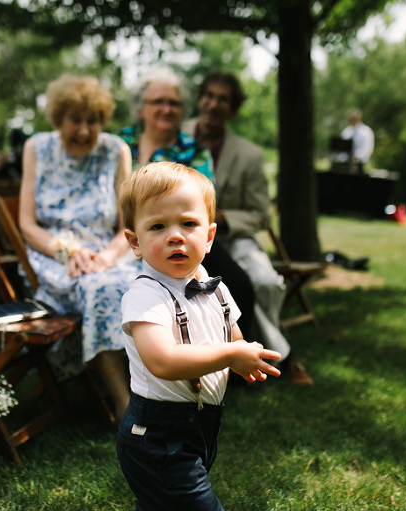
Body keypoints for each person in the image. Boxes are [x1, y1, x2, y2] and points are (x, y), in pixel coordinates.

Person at [116, 162, 282, 510]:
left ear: (208, 237)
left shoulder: (214, 287)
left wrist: (244, 356)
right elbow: (162, 361)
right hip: (158, 435)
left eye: (188, 224)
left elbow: (231, 334)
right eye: (158, 226)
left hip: (201, 424)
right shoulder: (146, 296)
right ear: (135, 241)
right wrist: (228, 357)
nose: (175, 235)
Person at [19, 74, 139, 422]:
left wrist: (105, 257)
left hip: (109, 253)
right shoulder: (36, 148)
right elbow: (27, 224)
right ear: (58, 118)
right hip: (53, 255)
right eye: (76, 120)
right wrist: (68, 253)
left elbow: (126, 227)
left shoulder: (116, 149)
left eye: (93, 121)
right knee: (101, 287)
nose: (85, 130)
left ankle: (161, 387)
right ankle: (123, 401)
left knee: (154, 282)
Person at [182, 71, 313, 386]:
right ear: (200, 99)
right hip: (183, 236)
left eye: (222, 99)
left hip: (233, 237)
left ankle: (264, 353)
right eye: (209, 96)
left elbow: (260, 215)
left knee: (265, 282)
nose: (213, 104)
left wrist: (225, 219)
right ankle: (285, 356)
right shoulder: (176, 135)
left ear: (233, 109)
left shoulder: (249, 155)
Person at [118, 67, 256, 347]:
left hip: (184, 232)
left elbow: (206, 203)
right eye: (158, 101)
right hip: (127, 236)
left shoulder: (194, 150)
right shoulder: (120, 143)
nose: (166, 109)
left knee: (238, 282)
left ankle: (236, 352)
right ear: (141, 107)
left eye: (174, 103)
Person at [340, 108, 374, 174]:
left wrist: (357, 157)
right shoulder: (346, 131)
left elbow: (368, 149)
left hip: (361, 164)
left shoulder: (366, 132)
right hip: (346, 163)